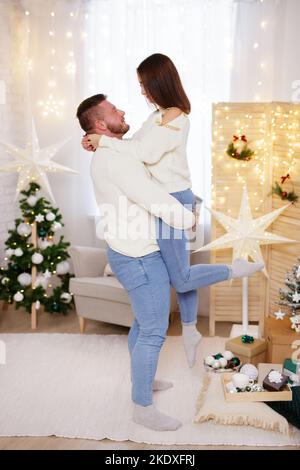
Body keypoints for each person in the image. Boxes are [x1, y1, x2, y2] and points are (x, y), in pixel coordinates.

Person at [77, 94, 263, 431]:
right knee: (152, 331)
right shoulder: (114, 160)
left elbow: (137, 148)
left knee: (142, 323)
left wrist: (99, 140)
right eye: (113, 110)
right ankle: (142, 407)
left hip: (132, 252)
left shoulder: (114, 150)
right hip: (139, 257)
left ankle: (141, 384)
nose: (122, 109)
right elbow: (152, 198)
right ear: (102, 124)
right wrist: (186, 217)